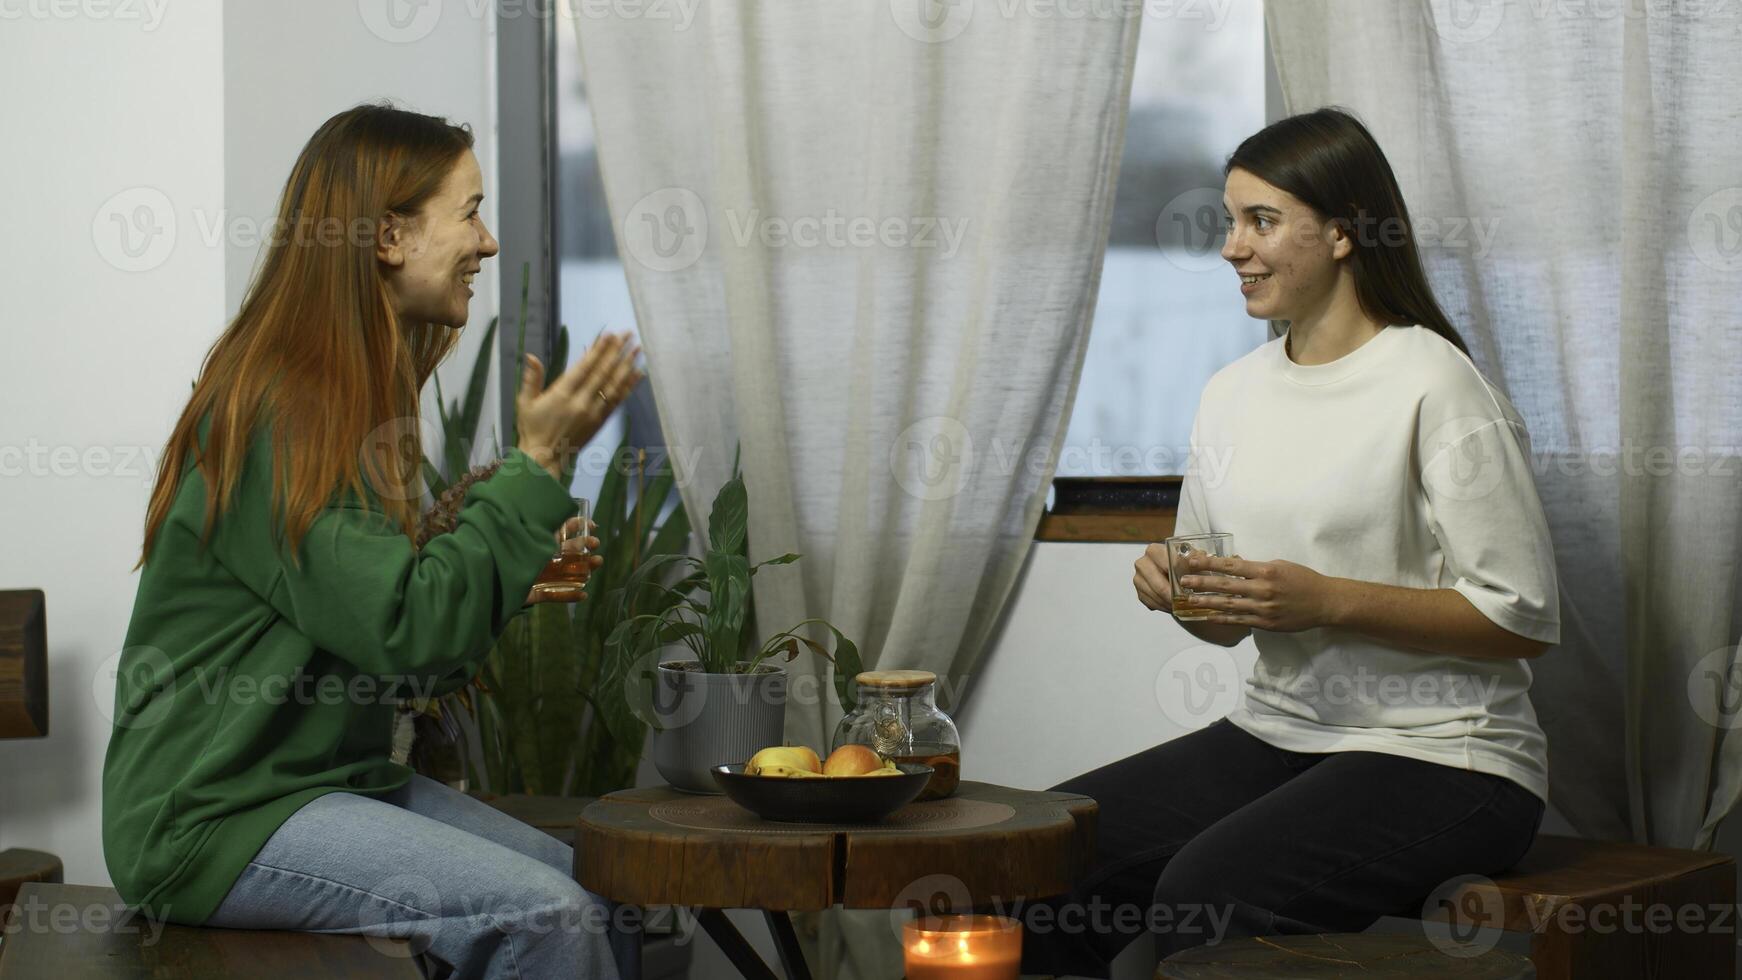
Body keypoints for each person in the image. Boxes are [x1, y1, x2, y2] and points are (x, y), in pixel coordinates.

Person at [101, 103, 643, 979]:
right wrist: (536, 463)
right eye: (468, 211)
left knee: (588, 888)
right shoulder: (291, 407)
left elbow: (413, 662)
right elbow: (409, 630)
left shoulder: (349, 395)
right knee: (549, 918)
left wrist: (503, 565)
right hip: (216, 818)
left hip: (319, 786)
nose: (490, 241)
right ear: (389, 235)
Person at [1020, 107, 1559, 976]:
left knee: (1215, 889)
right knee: (1041, 853)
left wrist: (1328, 600)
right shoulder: (1232, 394)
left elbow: (1525, 616)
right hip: (1282, 733)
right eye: (1231, 221)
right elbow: (1224, 621)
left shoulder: (1435, 385)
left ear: (1344, 234)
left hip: (1449, 758)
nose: (1232, 246)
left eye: (1260, 221)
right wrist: (1178, 589)